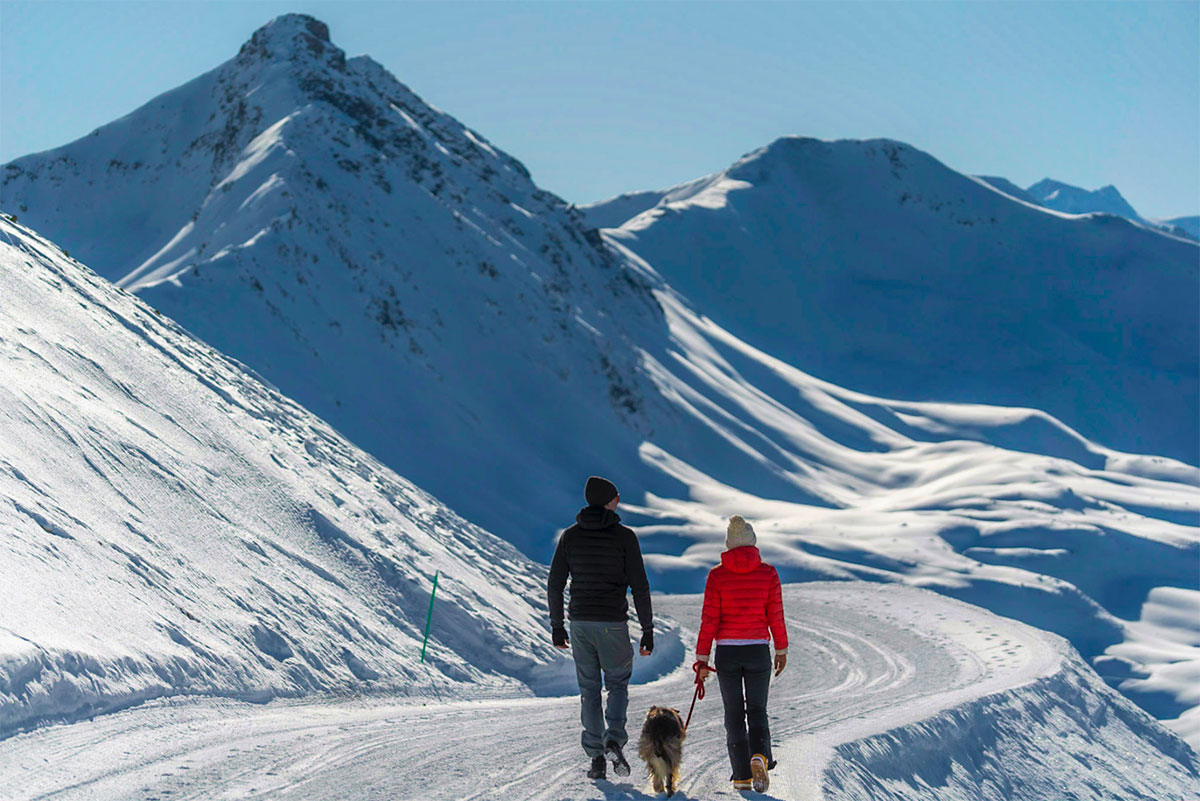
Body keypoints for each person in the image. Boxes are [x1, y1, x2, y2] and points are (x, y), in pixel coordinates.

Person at [548, 475, 654, 781]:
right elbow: (640, 587)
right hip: (612, 624)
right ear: (609, 501)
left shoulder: (570, 536)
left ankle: (596, 759)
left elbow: (555, 584)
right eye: (616, 496)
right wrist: (647, 629)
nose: (619, 500)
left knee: (589, 689)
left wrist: (558, 626)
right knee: (617, 683)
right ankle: (613, 739)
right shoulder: (625, 537)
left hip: (579, 623)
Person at [695, 515, 788, 793]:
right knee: (757, 709)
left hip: (727, 654)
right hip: (758, 650)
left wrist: (702, 658)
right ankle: (760, 755)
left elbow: (709, 620)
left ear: (728, 544)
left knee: (733, 713)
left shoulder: (716, 575)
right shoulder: (768, 573)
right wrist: (781, 649)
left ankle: (741, 775)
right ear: (752, 542)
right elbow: (776, 616)